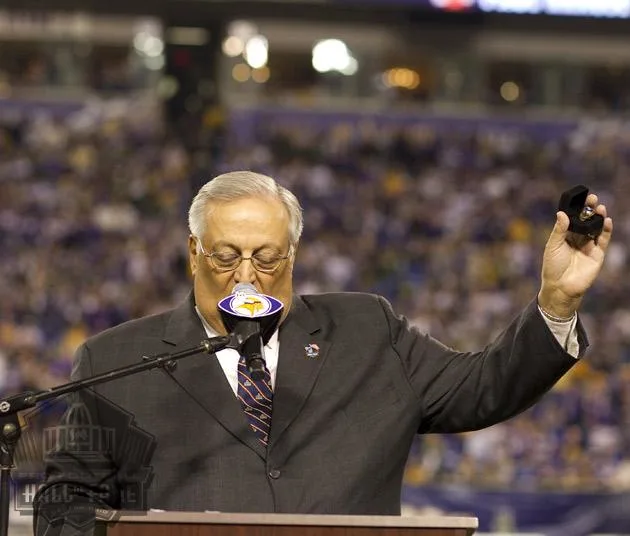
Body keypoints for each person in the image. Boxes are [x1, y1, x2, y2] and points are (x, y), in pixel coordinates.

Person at [34, 171, 613, 533]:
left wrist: (556, 301)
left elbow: (483, 388)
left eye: (267, 257)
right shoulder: (115, 360)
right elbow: (65, 504)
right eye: (226, 256)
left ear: (293, 254)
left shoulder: (367, 330)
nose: (246, 276)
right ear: (193, 253)